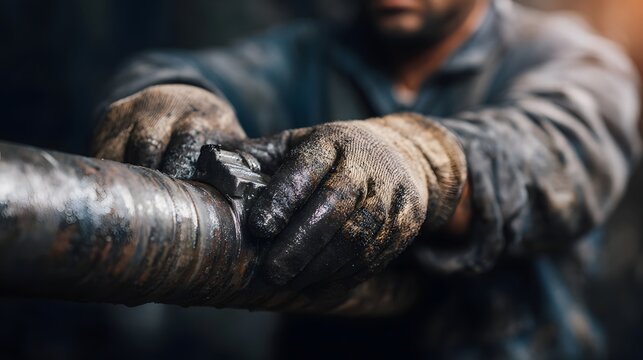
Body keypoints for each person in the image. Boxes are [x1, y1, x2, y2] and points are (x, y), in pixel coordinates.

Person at [91, 0, 641, 358]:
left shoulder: (563, 55)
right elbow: (177, 74)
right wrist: (175, 95)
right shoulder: (308, 56)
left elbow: (565, 144)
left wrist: (425, 160)